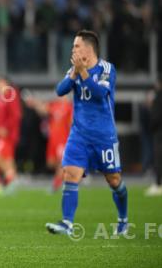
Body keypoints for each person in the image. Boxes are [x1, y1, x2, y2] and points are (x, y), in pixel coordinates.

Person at [46, 30, 128, 236]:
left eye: (76, 46)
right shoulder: (74, 70)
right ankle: (67, 223)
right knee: (70, 174)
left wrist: (83, 73)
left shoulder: (107, 69)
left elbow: (101, 93)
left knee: (114, 180)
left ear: (88, 49)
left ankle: (123, 220)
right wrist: (75, 73)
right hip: (79, 134)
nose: (73, 49)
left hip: (104, 136)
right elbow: (60, 90)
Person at [31, 96, 73, 192]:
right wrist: (35, 104)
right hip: (53, 139)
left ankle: (56, 184)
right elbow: (43, 110)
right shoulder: (54, 105)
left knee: (61, 163)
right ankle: (68, 176)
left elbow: (72, 122)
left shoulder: (70, 107)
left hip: (63, 139)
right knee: (51, 163)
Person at [147, 79, 162, 196]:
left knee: (158, 158)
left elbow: (155, 118)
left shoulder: (158, 97)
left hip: (159, 133)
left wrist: (151, 128)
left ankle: (158, 184)